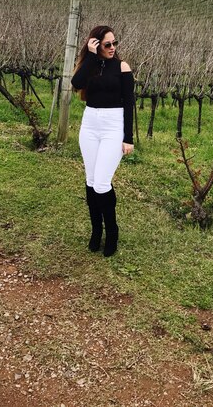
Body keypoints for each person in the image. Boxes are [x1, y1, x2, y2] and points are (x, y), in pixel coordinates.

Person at [71, 25, 135, 257]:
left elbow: (129, 104)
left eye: (114, 43)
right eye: (107, 44)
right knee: (90, 180)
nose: (112, 48)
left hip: (113, 126)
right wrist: (89, 55)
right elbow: (76, 83)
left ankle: (112, 231)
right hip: (90, 125)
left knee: (101, 183)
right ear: (96, 45)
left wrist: (128, 138)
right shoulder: (90, 66)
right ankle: (96, 231)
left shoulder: (122, 67)